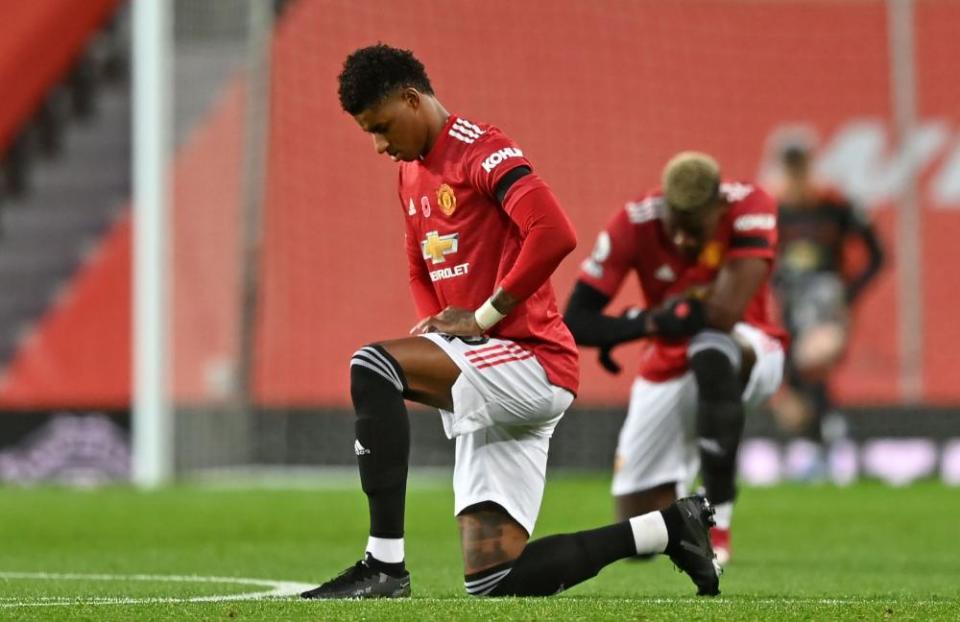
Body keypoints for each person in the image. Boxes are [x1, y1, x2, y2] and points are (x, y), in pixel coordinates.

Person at [300, 44, 720, 600]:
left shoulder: (481, 149)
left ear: (411, 98)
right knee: (496, 578)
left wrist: (483, 316)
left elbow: (554, 232)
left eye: (382, 127)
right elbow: (418, 263)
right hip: (488, 368)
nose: (379, 145)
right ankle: (668, 527)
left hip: (530, 359)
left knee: (372, 366)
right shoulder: (409, 175)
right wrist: (437, 324)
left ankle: (384, 566)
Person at [564, 152, 787, 566]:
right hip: (668, 360)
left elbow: (721, 314)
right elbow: (576, 320)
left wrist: (639, 323)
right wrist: (650, 322)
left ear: (718, 209)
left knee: (710, 348)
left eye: (694, 231)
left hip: (749, 348)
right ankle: (691, 511)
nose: (683, 241)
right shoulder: (634, 223)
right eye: (675, 228)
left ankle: (720, 514)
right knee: (638, 528)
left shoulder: (750, 207)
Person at [770, 141, 884, 476]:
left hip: (825, 308)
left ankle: (826, 449)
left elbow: (878, 254)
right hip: (791, 311)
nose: (796, 179)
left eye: (800, 169)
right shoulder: (776, 212)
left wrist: (848, 294)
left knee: (810, 364)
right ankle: (828, 442)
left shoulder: (835, 207)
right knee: (793, 399)